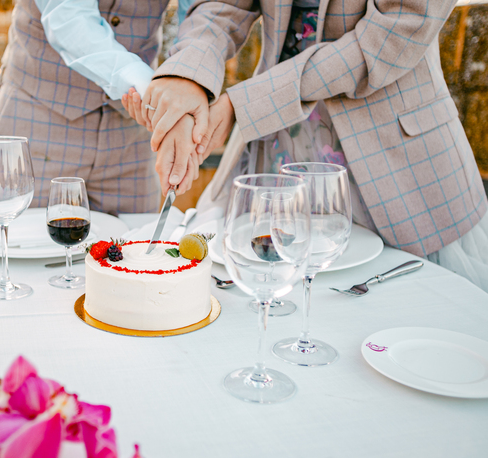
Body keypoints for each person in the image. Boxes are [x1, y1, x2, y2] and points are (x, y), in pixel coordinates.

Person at [124, 0, 488, 291]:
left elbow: (394, 35)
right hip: (277, 153)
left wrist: (246, 104)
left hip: (398, 168)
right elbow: (221, 7)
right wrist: (185, 78)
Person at [0, 0, 204, 215]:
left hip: (131, 133)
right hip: (37, 114)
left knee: (131, 244)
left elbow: (201, 11)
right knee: (21, 241)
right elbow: (68, 16)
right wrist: (164, 99)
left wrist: (184, 85)